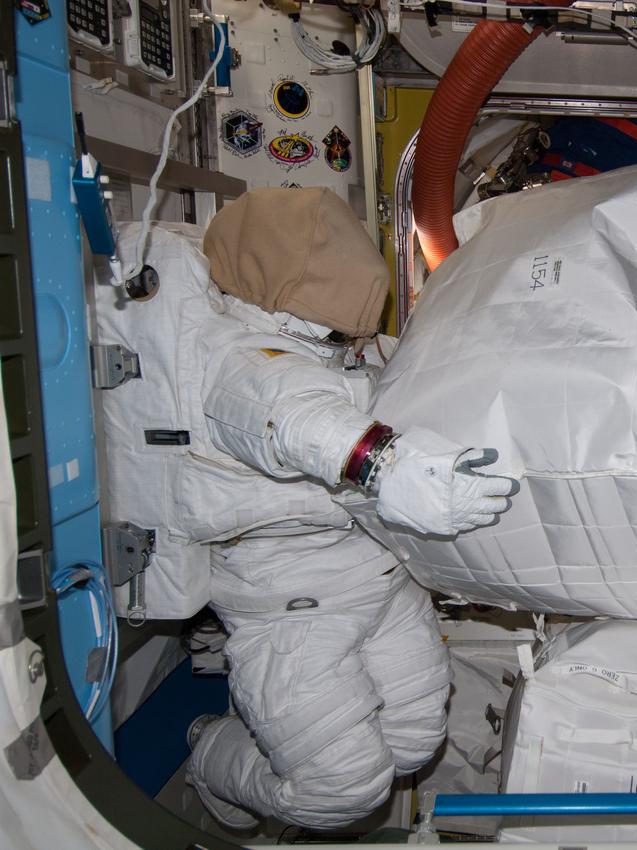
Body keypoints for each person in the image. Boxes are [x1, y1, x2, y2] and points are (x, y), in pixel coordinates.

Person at [123, 187, 522, 830]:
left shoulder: (339, 351)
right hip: (295, 609)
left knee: (418, 741)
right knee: (341, 792)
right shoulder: (241, 363)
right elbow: (297, 418)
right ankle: (209, 753)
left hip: (384, 585)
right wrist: (384, 466)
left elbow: (402, 376)